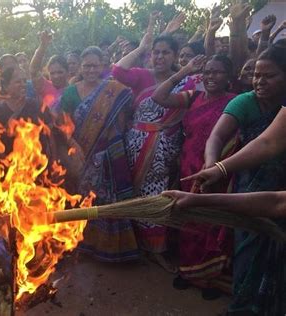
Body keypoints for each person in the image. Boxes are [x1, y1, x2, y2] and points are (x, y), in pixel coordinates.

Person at [182, 44, 286, 315]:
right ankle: (245, 305)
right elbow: (223, 137)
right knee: (248, 245)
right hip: (252, 184)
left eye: (269, 76)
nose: (260, 81)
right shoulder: (244, 102)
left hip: (280, 189)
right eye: (256, 76)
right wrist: (214, 166)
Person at [112, 12, 195, 271]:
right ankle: (134, 243)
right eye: (156, 52)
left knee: (158, 195)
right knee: (134, 193)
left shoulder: (187, 80)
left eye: (165, 52)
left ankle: (156, 248)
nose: (159, 57)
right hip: (136, 145)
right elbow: (117, 70)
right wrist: (142, 47)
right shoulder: (142, 76)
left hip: (167, 147)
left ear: (175, 55)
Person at [152, 54, 237, 298]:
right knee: (187, 219)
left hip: (218, 170)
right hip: (189, 168)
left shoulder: (235, 102)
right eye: (207, 72)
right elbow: (159, 97)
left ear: (229, 76)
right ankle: (188, 271)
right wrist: (184, 71)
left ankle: (211, 279)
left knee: (211, 222)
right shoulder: (194, 97)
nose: (211, 77)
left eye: (217, 72)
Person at [59, 46, 139, 262]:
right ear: (80, 68)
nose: (91, 70)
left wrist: (112, 142)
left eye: (95, 65)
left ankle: (109, 249)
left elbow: (123, 118)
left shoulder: (114, 89)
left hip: (108, 156)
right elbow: (62, 123)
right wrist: (73, 143)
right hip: (80, 153)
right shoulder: (70, 92)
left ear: (102, 66)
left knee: (105, 201)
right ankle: (82, 245)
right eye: (86, 66)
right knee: (82, 199)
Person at [30, 31, 69, 111]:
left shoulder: (75, 90)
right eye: (52, 73)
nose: (56, 76)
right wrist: (43, 46)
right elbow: (33, 70)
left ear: (67, 72)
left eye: (60, 72)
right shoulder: (45, 86)